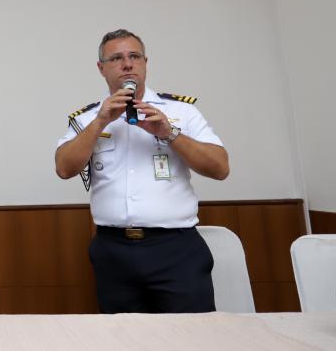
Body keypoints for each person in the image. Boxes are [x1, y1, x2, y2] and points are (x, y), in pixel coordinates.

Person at [55, 29, 229, 313]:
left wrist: (170, 133)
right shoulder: (88, 118)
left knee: (193, 341)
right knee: (124, 346)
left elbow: (220, 168)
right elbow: (64, 167)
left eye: (134, 56)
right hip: (113, 252)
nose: (127, 64)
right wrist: (100, 122)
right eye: (116, 58)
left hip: (176, 250)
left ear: (145, 62)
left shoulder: (181, 112)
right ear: (101, 68)